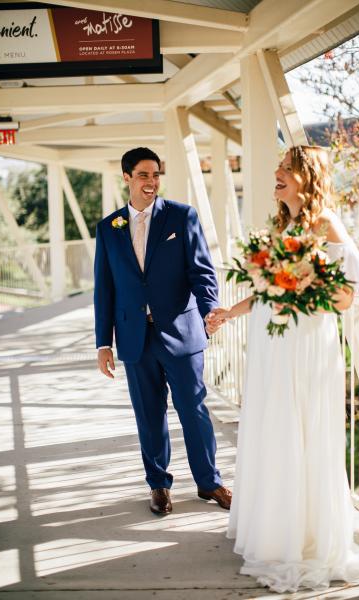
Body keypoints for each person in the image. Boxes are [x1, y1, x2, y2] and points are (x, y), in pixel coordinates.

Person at [206, 146, 359, 592]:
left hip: (304, 347)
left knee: (300, 431)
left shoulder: (327, 225)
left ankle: (303, 538)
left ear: (307, 177)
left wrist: (306, 281)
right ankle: (273, 528)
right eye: (278, 167)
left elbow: (345, 297)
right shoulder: (282, 225)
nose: (276, 173)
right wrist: (231, 311)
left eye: (285, 168)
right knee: (272, 429)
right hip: (271, 346)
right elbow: (267, 290)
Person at [94, 147, 231, 515]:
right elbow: (103, 289)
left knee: (194, 409)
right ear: (127, 178)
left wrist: (209, 310)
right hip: (135, 337)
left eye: (156, 175)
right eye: (143, 175)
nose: (151, 182)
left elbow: (201, 271)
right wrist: (102, 343)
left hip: (182, 332)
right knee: (149, 415)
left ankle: (209, 482)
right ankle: (158, 485)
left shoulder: (182, 217)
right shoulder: (109, 229)